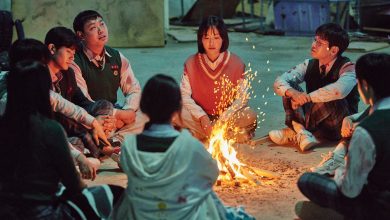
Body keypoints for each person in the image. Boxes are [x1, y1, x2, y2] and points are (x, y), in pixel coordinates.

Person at [110, 74, 254, 220]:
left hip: (141, 214)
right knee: (206, 195)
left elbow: (129, 168)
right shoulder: (189, 145)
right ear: (178, 109)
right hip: (181, 214)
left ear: (143, 108)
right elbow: (211, 173)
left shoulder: (129, 146)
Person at [0, 60, 124, 219]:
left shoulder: (5, 124)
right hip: (42, 212)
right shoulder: (49, 129)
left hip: (5, 210)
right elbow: (73, 184)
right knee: (116, 194)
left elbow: (75, 110)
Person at [297, 53, 390, 219]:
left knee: (307, 181)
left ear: (365, 86)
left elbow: (350, 190)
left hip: (379, 207)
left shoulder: (366, 131)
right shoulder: (371, 119)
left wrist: (342, 169)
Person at [0, 38, 105, 179]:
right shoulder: (9, 101)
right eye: (44, 65)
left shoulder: (30, 87)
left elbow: (65, 105)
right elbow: (48, 135)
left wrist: (94, 122)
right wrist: (79, 158)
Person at [269, 23, 359, 151]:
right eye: (314, 40)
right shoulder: (309, 64)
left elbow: (339, 91)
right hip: (316, 120)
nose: (313, 45)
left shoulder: (348, 67)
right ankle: (302, 132)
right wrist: (293, 93)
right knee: (289, 88)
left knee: (333, 96)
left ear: (334, 50)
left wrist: (307, 98)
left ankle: (297, 131)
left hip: (338, 125)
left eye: (320, 43)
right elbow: (280, 81)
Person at [179, 15, 257, 142]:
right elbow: (184, 96)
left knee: (249, 115)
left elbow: (242, 98)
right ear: (200, 40)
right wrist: (202, 117)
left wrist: (223, 119)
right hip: (199, 117)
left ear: (223, 39)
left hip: (227, 117)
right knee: (174, 113)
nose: (211, 43)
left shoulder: (236, 63)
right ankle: (228, 137)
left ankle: (203, 135)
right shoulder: (191, 63)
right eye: (206, 38)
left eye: (216, 37)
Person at [71, 10, 145, 143]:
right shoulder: (74, 60)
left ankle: (113, 138)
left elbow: (134, 89)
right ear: (81, 35)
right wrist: (118, 114)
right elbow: (84, 101)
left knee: (149, 114)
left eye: (102, 24)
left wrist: (128, 110)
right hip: (90, 115)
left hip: (115, 114)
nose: (101, 30)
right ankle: (114, 136)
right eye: (93, 28)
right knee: (90, 126)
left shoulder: (116, 56)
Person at [44, 26, 119, 159]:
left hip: (74, 121)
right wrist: (90, 123)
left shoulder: (68, 73)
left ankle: (99, 141)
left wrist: (98, 118)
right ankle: (100, 145)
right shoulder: (38, 76)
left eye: (73, 53)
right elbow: (56, 115)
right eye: (68, 51)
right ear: (52, 48)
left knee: (105, 106)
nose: (72, 57)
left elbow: (82, 101)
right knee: (76, 142)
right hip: (56, 127)